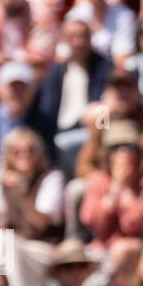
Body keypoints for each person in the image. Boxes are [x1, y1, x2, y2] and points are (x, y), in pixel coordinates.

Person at [0, 125, 66, 286]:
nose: (24, 155)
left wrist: (19, 193)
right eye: (17, 151)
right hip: (12, 250)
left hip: (43, 250)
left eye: (30, 150)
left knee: (8, 243)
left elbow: (42, 223)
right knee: (2, 241)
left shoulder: (51, 179)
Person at [36, 20, 113, 177]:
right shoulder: (55, 71)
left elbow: (108, 107)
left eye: (83, 37)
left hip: (90, 135)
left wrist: (100, 133)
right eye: (72, 37)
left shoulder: (105, 68)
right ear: (64, 40)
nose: (78, 42)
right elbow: (45, 113)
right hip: (58, 137)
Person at [0, 61, 57, 196]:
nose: (17, 93)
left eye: (22, 87)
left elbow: (48, 162)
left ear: (32, 91)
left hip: (31, 192)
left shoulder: (43, 121)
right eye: (12, 87)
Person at [79, 122, 143, 249]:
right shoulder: (98, 181)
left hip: (135, 251)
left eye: (129, 147)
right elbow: (94, 223)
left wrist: (126, 190)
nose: (123, 153)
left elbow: (133, 226)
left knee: (122, 250)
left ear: (138, 153)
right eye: (116, 148)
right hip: (101, 248)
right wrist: (117, 186)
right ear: (107, 155)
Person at [65, 0, 138, 67]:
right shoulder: (74, 16)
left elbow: (122, 59)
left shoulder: (124, 16)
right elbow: (63, 53)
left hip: (110, 72)